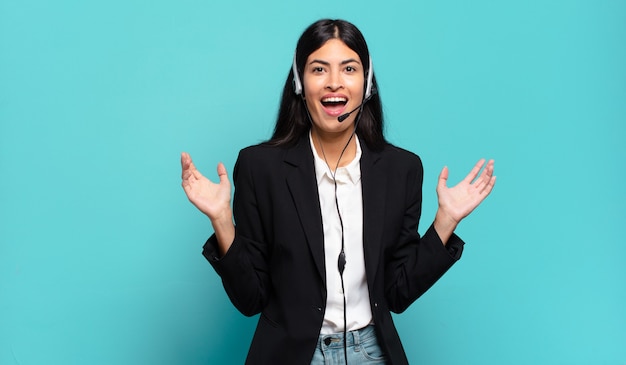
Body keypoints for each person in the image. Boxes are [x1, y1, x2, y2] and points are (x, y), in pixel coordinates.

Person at [181, 19, 495, 365]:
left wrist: (444, 222)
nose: (334, 82)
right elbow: (250, 299)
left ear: (367, 82)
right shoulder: (261, 167)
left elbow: (397, 292)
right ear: (300, 83)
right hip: (292, 355)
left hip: (372, 353)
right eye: (319, 69)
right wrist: (223, 221)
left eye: (349, 68)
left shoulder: (401, 170)